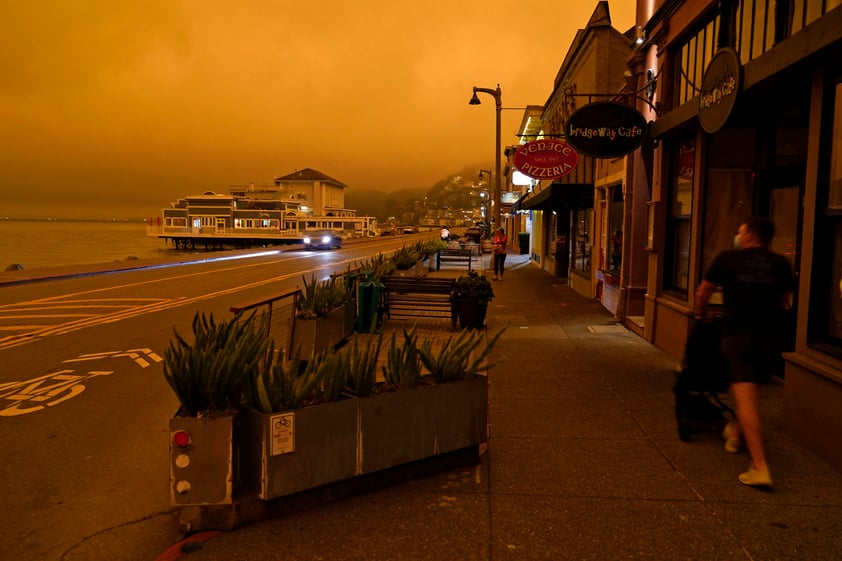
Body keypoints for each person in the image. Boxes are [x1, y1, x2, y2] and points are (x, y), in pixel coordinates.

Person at [694, 217, 794, 489]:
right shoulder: (781, 264)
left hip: (737, 334)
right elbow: (786, 301)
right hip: (768, 337)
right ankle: (736, 434)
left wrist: (701, 313)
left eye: (740, 232)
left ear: (749, 235)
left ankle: (759, 465)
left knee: (746, 396)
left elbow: (703, 292)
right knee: (750, 391)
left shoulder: (728, 259)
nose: (737, 236)